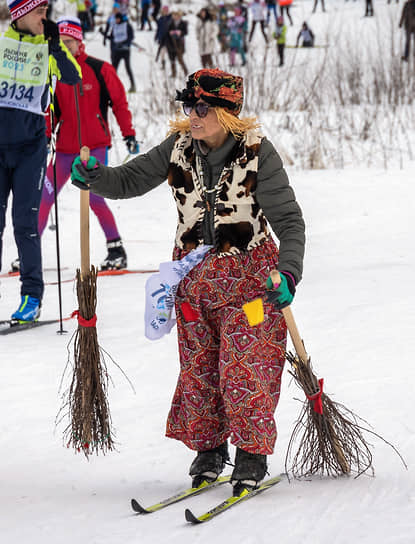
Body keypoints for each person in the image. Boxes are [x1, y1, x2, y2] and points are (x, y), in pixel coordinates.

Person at [70, 68, 305, 495]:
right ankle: (210, 449)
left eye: (201, 108)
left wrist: (288, 271)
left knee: (245, 367)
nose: (192, 117)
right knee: (199, 371)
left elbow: (289, 221)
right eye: (188, 107)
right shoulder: (178, 148)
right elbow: (130, 178)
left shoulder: (257, 153)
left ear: (227, 113)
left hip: (250, 283)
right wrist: (96, 176)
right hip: (194, 281)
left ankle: (251, 454)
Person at [0, 0, 81, 322]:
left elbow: (73, 78)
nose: (45, 18)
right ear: (20, 14)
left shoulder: (50, 46)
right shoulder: (3, 44)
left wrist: (55, 45)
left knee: (25, 225)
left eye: (46, 12)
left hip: (30, 148)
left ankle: (31, 297)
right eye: (39, 13)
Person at [40, 16, 139, 271]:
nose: (64, 46)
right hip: (64, 149)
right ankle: (29, 253)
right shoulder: (54, 70)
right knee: (44, 196)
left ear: (79, 41)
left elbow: (119, 103)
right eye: (60, 42)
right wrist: (45, 135)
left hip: (94, 146)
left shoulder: (99, 68)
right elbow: (50, 110)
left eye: (68, 42)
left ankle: (116, 249)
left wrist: (128, 133)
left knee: (95, 198)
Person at [109, 12, 136, 93]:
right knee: (113, 69)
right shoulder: (115, 27)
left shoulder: (127, 26)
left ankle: (133, 85)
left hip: (125, 50)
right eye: (116, 19)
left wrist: (125, 44)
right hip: (117, 51)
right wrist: (103, 34)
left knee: (127, 67)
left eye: (118, 19)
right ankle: (112, 87)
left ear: (121, 18)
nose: (117, 20)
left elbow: (131, 37)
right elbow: (112, 38)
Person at [166, 11, 188, 78]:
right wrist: (170, 33)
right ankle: (173, 73)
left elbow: (186, 32)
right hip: (171, 43)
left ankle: (185, 72)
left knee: (180, 59)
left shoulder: (183, 23)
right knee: (172, 60)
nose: (176, 17)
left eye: (177, 15)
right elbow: (167, 32)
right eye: (174, 15)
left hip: (180, 44)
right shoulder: (170, 23)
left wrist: (180, 33)